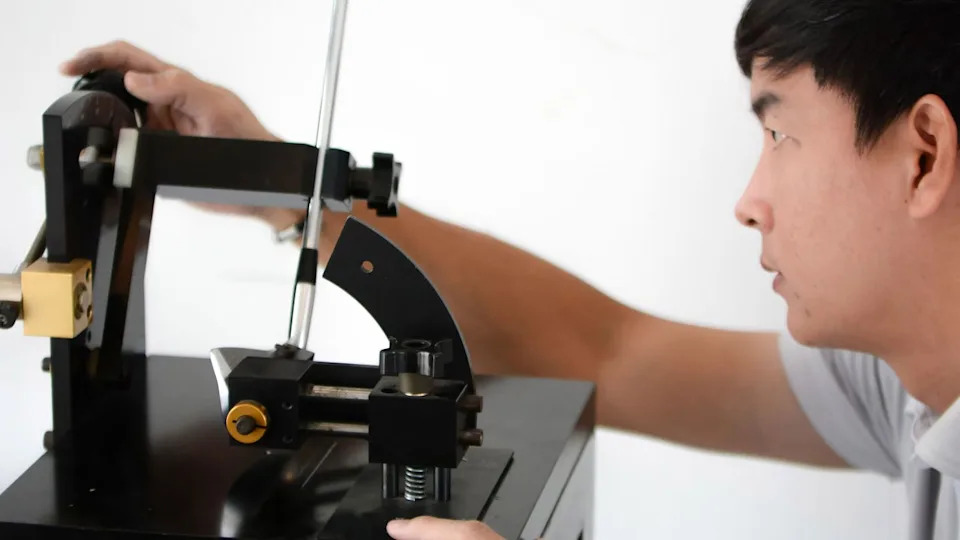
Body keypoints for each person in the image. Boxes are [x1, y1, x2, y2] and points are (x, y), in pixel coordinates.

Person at [57, 0, 960, 538]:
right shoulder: (907, 388)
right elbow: (610, 349)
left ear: (921, 156)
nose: (749, 199)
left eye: (779, 132)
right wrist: (287, 184)